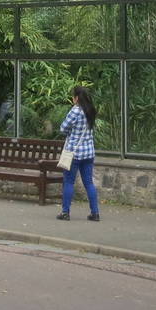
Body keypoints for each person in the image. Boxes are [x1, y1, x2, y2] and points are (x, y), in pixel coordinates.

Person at [57, 85, 101, 222]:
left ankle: (65, 212)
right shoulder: (91, 110)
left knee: (69, 182)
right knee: (89, 182)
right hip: (88, 152)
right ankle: (95, 213)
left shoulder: (75, 111)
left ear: (76, 98)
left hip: (74, 153)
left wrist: (70, 132)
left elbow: (63, 128)